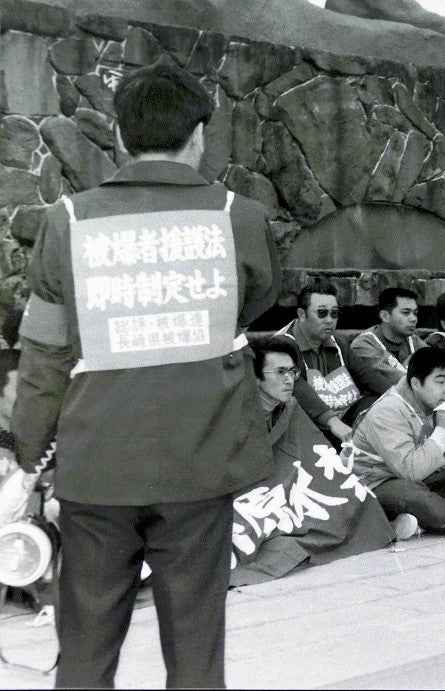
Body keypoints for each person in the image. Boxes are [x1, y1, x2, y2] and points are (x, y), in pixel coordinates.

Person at [10, 64, 280, 687]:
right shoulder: (241, 217)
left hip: (97, 468)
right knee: (195, 650)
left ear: (122, 139)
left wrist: (27, 452)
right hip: (200, 461)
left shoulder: (67, 221)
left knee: (85, 647)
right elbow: (255, 300)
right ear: (199, 137)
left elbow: (44, 358)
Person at [231, 337, 393, 586]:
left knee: (350, 494)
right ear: (256, 377)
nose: (289, 379)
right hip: (244, 491)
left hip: (281, 485)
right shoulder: (234, 411)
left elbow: (311, 453)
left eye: (293, 372)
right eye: (280, 372)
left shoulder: (291, 406)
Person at [344, 347, 445, 536]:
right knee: (415, 497)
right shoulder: (387, 411)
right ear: (415, 383)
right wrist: (442, 429)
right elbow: (410, 470)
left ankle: (400, 524)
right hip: (374, 484)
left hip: (420, 477)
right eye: (440, 382)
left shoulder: (439, 403)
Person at [275, 280, 360, 442]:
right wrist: (332, 421)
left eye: (334, 313)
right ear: (302, 314)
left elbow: (369, 374)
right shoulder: (283, 343)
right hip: (300, 430)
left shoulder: (339, 343)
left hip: (339, 424)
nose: (329, 320)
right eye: (322, 313)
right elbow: (296, 386)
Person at [349, 287, 427, 399]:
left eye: (415, 313)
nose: (413, 319)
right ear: (385, 316)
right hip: (378, 406)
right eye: (406, 313)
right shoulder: (364, 344)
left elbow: (437, 370)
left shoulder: (413, 340)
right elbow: (394, 380)